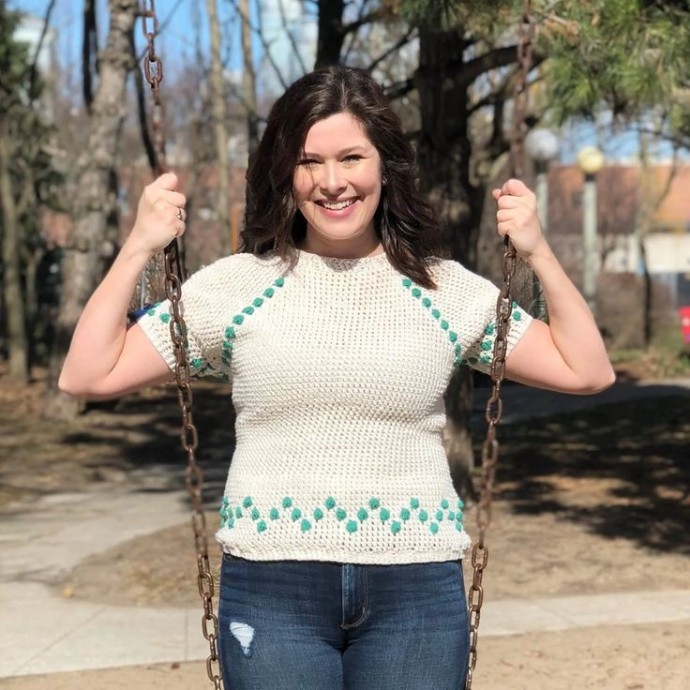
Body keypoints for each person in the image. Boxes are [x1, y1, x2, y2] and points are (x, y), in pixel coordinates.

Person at [59, 65, 615, 689]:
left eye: (352, 157)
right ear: (285, 172)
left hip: (415, 588)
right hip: (274, 583)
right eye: (308, 161)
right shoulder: (237, 286)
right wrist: (139, 244)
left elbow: (586, 369)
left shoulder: (443, 291)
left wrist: (537, 251)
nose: (331, 183)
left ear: (384, 166)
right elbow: (87, 374)